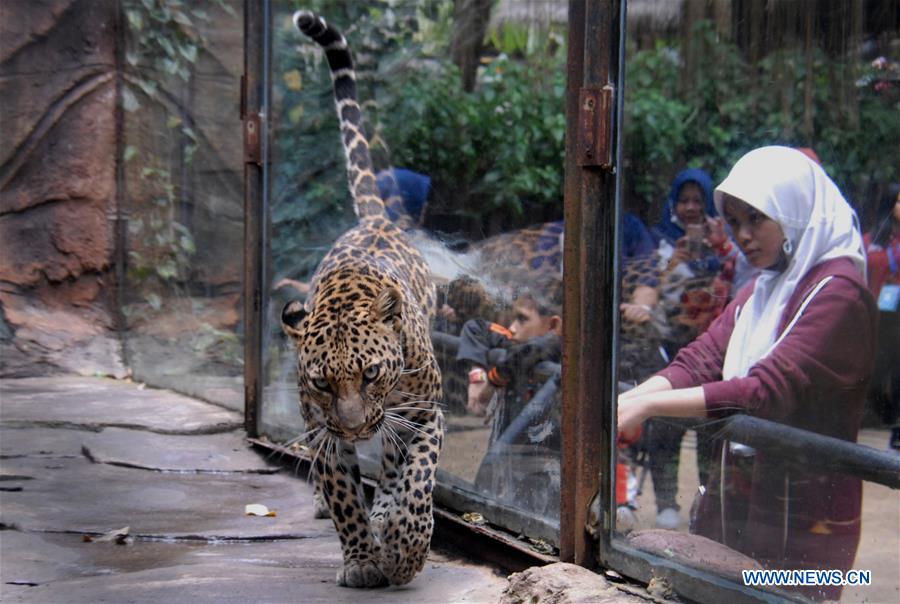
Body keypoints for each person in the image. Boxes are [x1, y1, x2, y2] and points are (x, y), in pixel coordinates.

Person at [617, 146, 877, 601]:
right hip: (741, 503)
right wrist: (632, 399)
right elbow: (699, 359)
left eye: (756, 219)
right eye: (734, 222)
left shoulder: (840, 294)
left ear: (793, 211)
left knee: (790, 597)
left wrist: (648, 404)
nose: (742, 236)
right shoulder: (764, 289)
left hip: (805, 519)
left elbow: (765, 391)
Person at [626, 168, 735, 530]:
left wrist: (714, 247)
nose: (690, 208)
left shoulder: (728, 242)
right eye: (684, 200)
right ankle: (666, 503)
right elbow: (654, 292)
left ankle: (707, 502)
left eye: (697, 201)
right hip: (668, 351)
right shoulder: (658, 241)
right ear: (674, 202)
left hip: (712, 353)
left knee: (710, 436)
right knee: (663, 431)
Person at [864, 183, 900, 425]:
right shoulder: (874, 239)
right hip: (880, 316)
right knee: (875, 373)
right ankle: (885, 416)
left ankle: (896, 425)